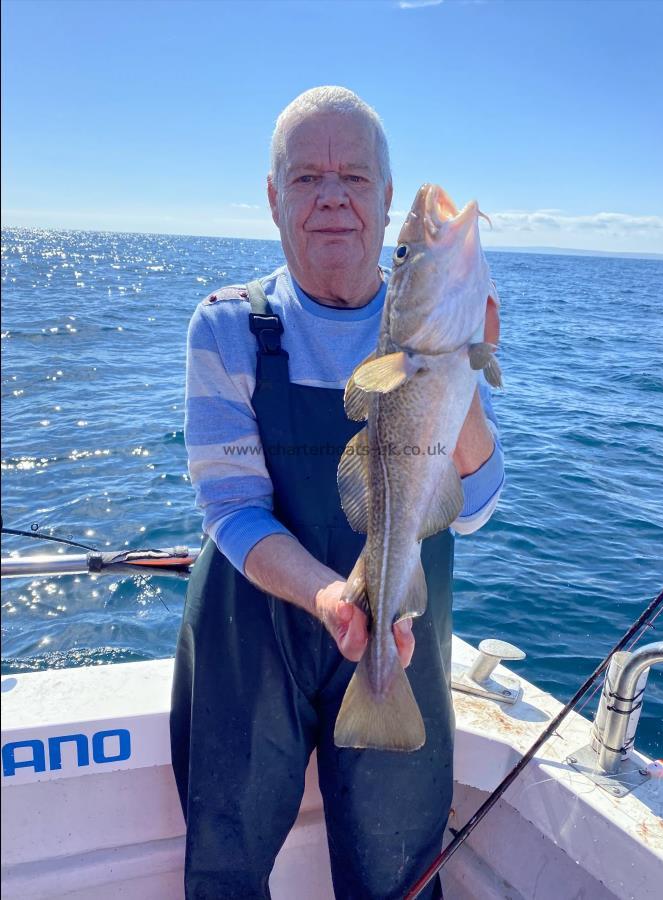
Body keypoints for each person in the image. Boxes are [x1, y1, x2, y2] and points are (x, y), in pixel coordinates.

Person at [170, 86, 504, 900]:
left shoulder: (443, 323)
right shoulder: (225, 326)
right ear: (273, 196)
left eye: (353, 178)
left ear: (385, 201)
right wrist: (333, 599)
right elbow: (233, 509)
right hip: (254, 629)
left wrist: (458, 369)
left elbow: (483, 503)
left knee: (397, 870)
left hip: (400, 623)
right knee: (227, 859)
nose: (331, 198)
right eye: (305, 177)